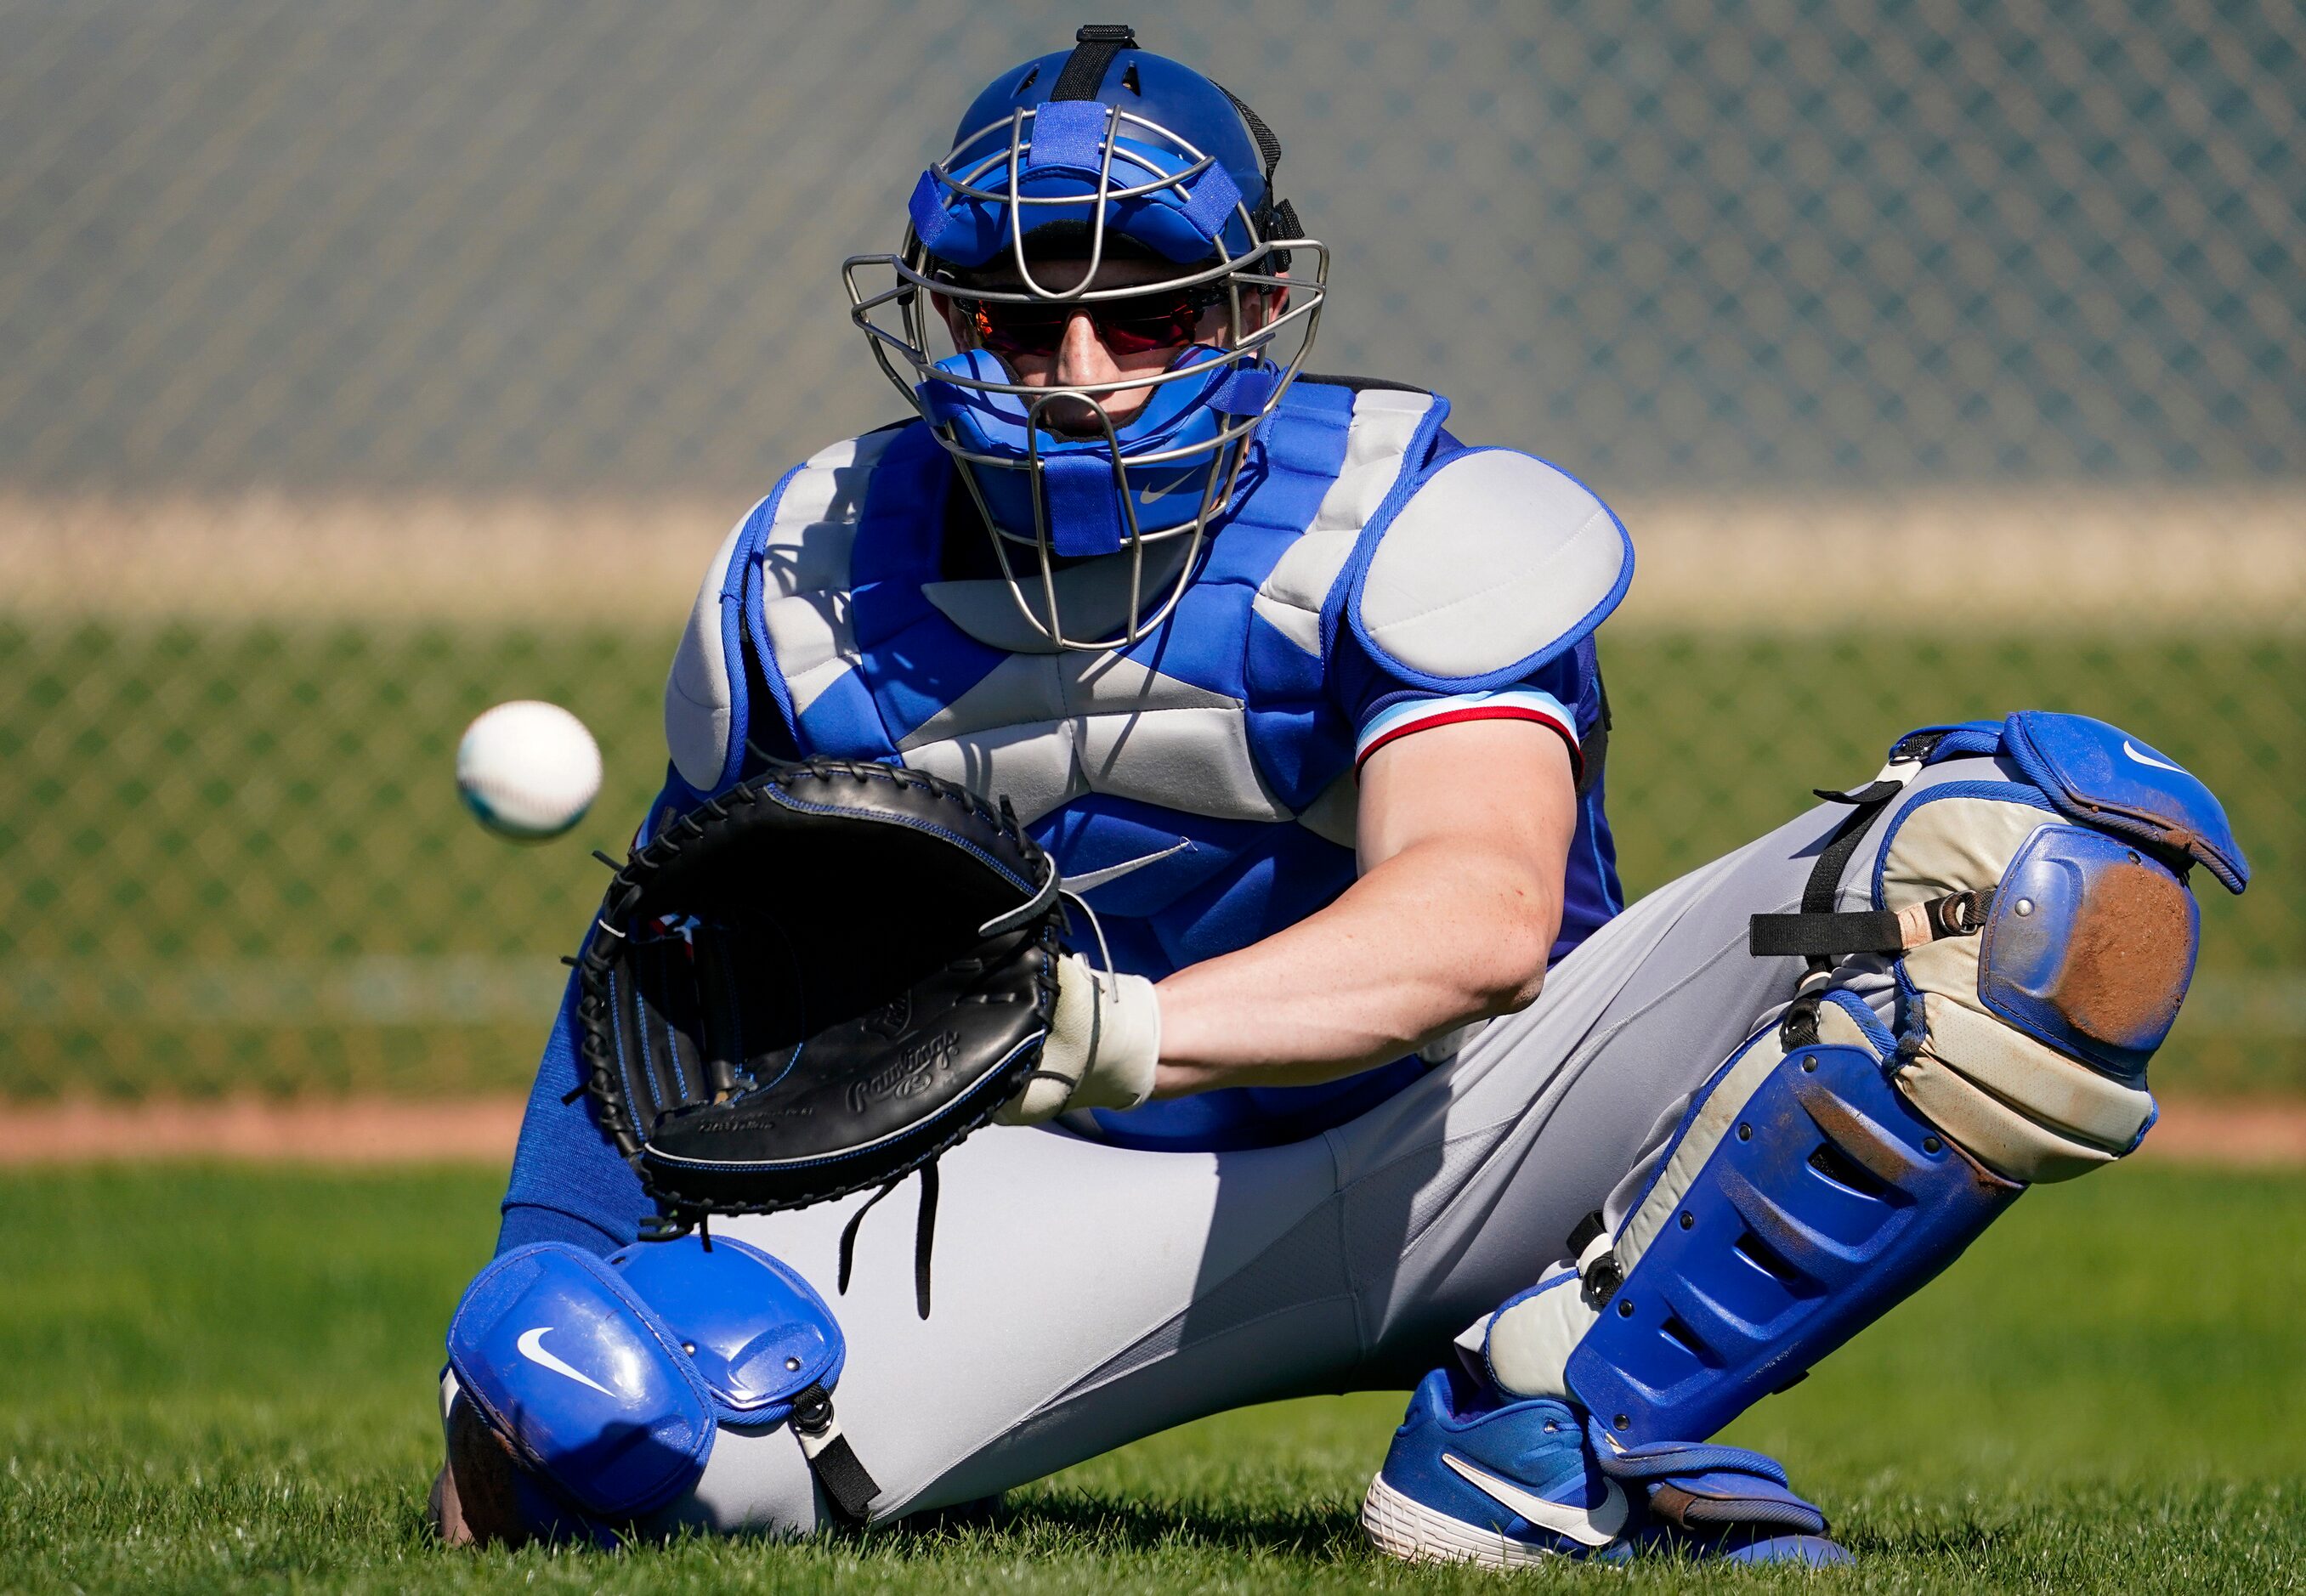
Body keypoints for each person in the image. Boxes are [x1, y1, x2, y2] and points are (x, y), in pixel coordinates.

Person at [431, 27, 2247, 1567]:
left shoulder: (1409, 521)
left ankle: (1542, 1431)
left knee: (2005, 878)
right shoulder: (805, 571)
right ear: (935, 320)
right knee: (611, 1434)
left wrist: (1101, 1026)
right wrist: (542, 1305)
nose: (1076, 378)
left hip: (1493, 1120)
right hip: (1051, 1204)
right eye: (1012, 318)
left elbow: (1475, 922)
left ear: (1251, 308)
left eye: (1141, 317)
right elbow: (655, 960)